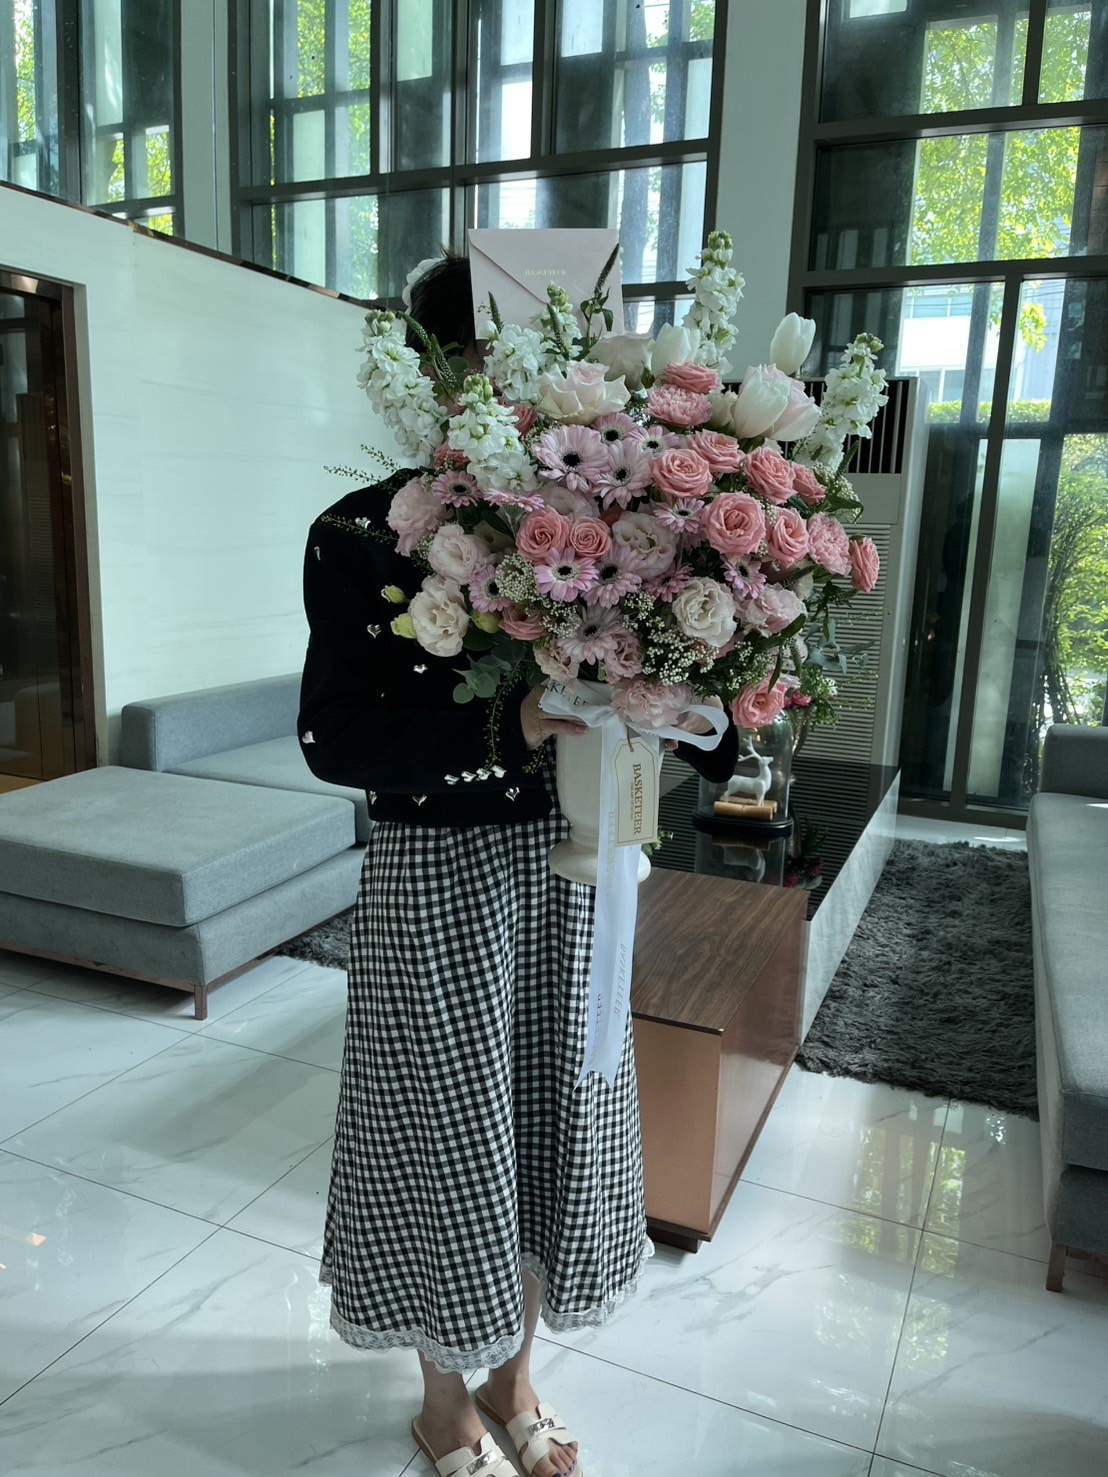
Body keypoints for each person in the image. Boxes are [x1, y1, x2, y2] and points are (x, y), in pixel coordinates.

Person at [298, 254, 737, 1477]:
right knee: (449, 1136)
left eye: (538, 367)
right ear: (432, 378)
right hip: (438, 881)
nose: (516, 394)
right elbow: (336, 736)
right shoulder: (360, 533)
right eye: (487, 369)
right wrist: (516, 725)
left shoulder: (612, 522)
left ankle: (518, 1378)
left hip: (574, 879)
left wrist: (689, 699)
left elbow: (708, 708)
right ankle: (445, 1403)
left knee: (551, 1124)